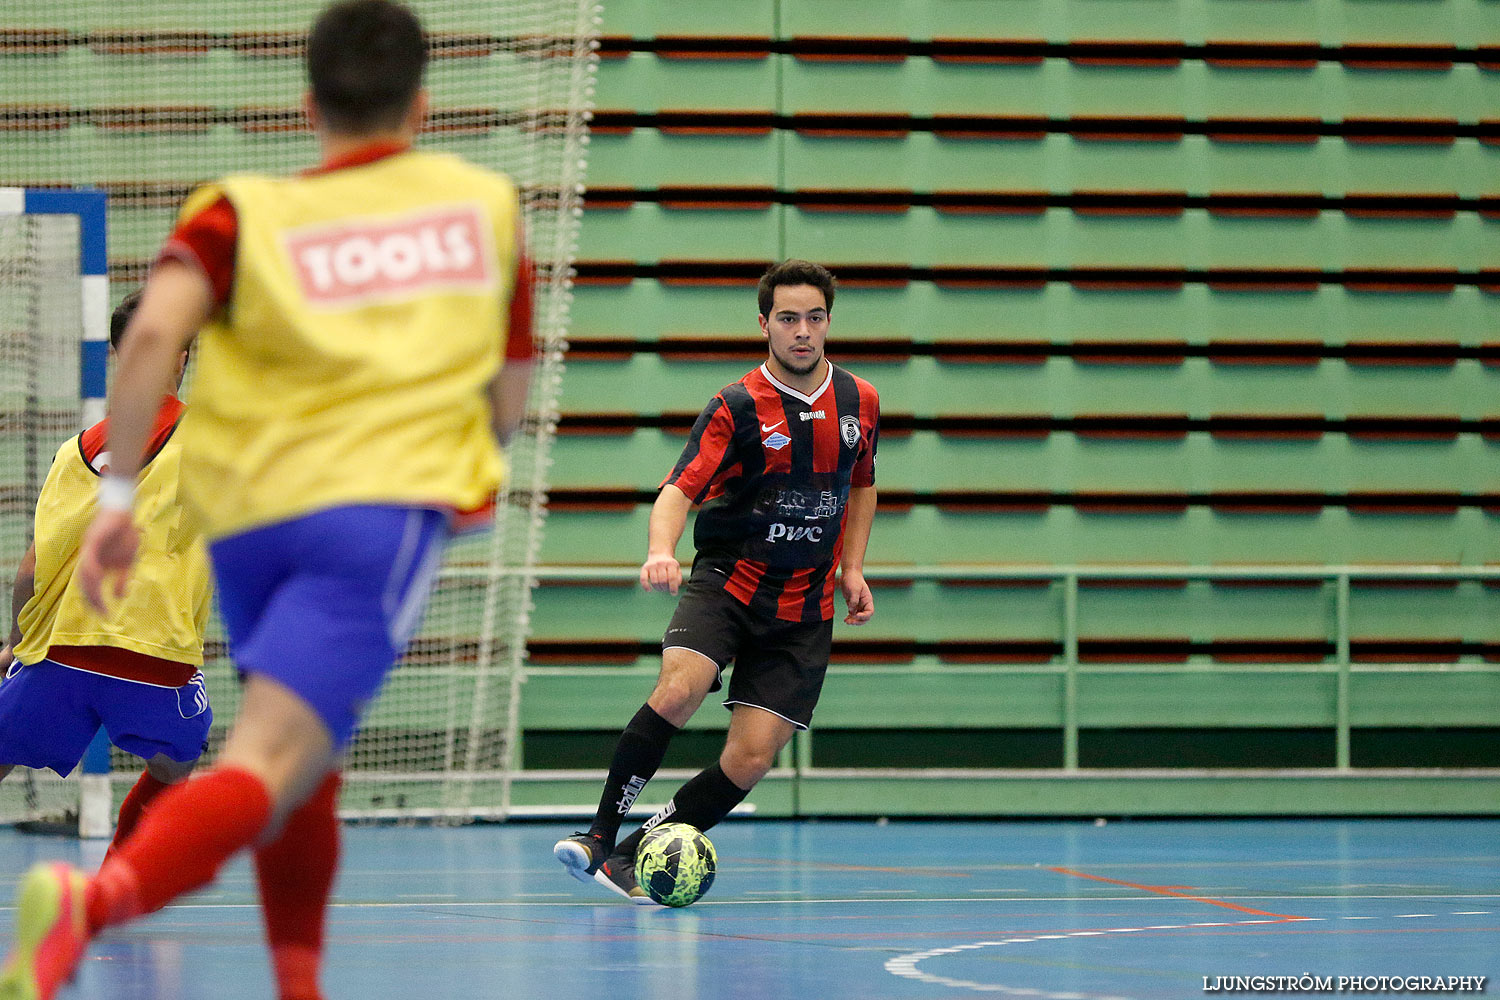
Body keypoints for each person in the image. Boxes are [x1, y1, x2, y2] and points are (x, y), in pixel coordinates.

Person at [0, 3, 534, 999]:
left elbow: (154, 334)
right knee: (273, 752)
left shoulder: (236, 208)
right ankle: (95, 901)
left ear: (308, 104)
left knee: (308, 749)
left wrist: (115, 500)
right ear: (421, 104)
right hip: (370, 515)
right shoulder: (480, 208)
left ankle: (299, 978)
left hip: (247, 523)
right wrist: (474, 475)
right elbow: (505, 391)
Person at [553, 258, 879, 902]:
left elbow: (862, 485)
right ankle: (598, 832)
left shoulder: (860, 401)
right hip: (729, 582)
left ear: (828, 323)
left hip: (804, 604)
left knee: (752, 756)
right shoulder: (736, 405)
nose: (803, 331)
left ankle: (629, 856)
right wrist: (659, 549)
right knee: (681, 688)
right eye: (788, 318)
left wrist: (853, 568)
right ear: (765, 325)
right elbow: (679, 488)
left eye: (815, 318)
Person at [0, 289, 211, 861]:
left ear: (120, 355)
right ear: (183, 356)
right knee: (177, 760)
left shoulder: (77, 451)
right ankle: (121, 874)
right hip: (155, 654)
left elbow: (34, 568)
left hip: (64, 649)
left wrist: (17, 644)